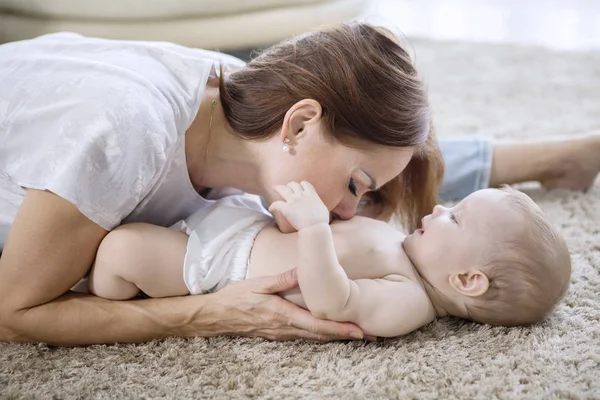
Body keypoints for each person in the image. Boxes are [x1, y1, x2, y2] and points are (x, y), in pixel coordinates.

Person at [0, 23, 598, 346]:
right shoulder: (124, 136)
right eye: (355, 185)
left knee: (393, 187)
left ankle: (531, 156)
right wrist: (203, 314)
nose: (350, 210)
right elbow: (13, 313)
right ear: (301, 122)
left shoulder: (246, 99)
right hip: (83, 115)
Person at [87, 181, 571, 337]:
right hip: (248, 225)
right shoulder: (406, 248)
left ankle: (100, 296)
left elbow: (331, 301)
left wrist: (316, 228)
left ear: (467, 280)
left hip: (218, 262)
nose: (441, 207)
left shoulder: (410, 304)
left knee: (121, 247)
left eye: (457, 219)